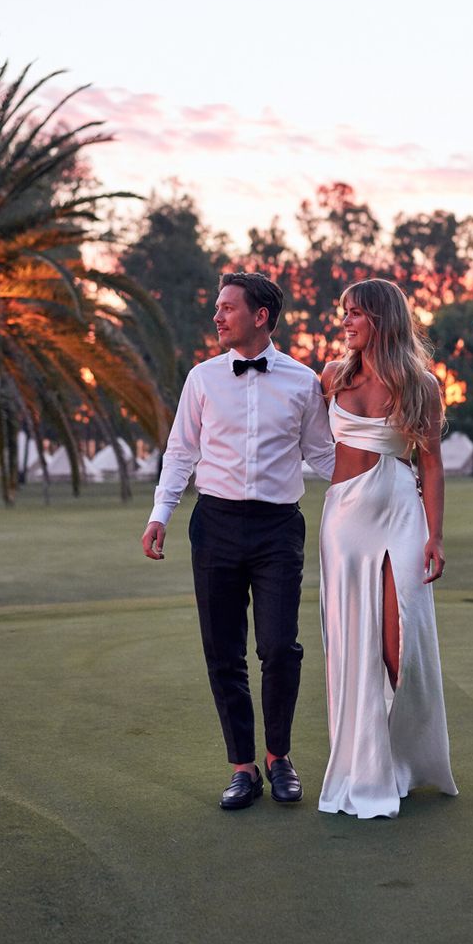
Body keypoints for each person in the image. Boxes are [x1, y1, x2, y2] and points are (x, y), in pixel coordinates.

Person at [142, 271, 335, 810]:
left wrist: (382, 477)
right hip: (215, 525)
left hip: (278, 528)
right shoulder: (201, 379)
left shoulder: (302, 381)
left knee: (279, 647)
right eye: (218, 308)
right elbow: (181, 452)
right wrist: (161, 513)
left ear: (260, 316)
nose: (218, 316)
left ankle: (280, 758)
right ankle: (242, 768)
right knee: (222, 652)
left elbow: (323, 456)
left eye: (228, 308)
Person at [318, 278, 458, 818]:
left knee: (402, 643)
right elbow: (304, 438)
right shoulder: (332, 376)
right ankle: (367, 765)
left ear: (381, 318)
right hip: (344, 520)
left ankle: (403, 760)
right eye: (344, 312)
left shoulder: (420, 383)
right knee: (354, 640)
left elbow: (431, 465)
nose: (346, 321)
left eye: (355, 313)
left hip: (401, 510)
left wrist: (435, 535)